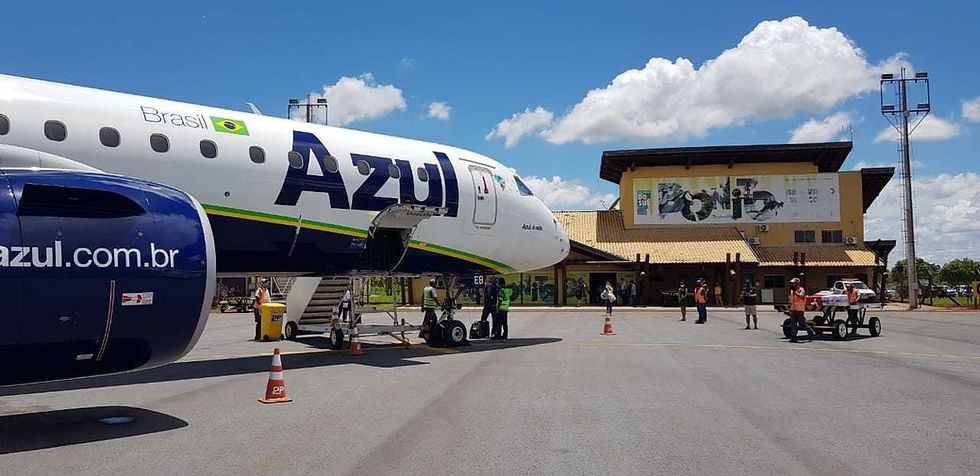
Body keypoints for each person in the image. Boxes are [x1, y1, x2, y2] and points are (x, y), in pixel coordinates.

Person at [788, 277, 814, 342]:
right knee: (793, 324)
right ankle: (793, 337)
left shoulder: (801, 290)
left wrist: (795, 292)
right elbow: (791, 301)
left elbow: (802, 296)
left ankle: (810, 331)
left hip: (800, 310)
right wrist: (790, 309)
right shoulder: (791, 291)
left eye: (793, 283)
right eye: (792, 283)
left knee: (802, 324)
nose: (792, 285)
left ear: (797, 284)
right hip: (793, 310)